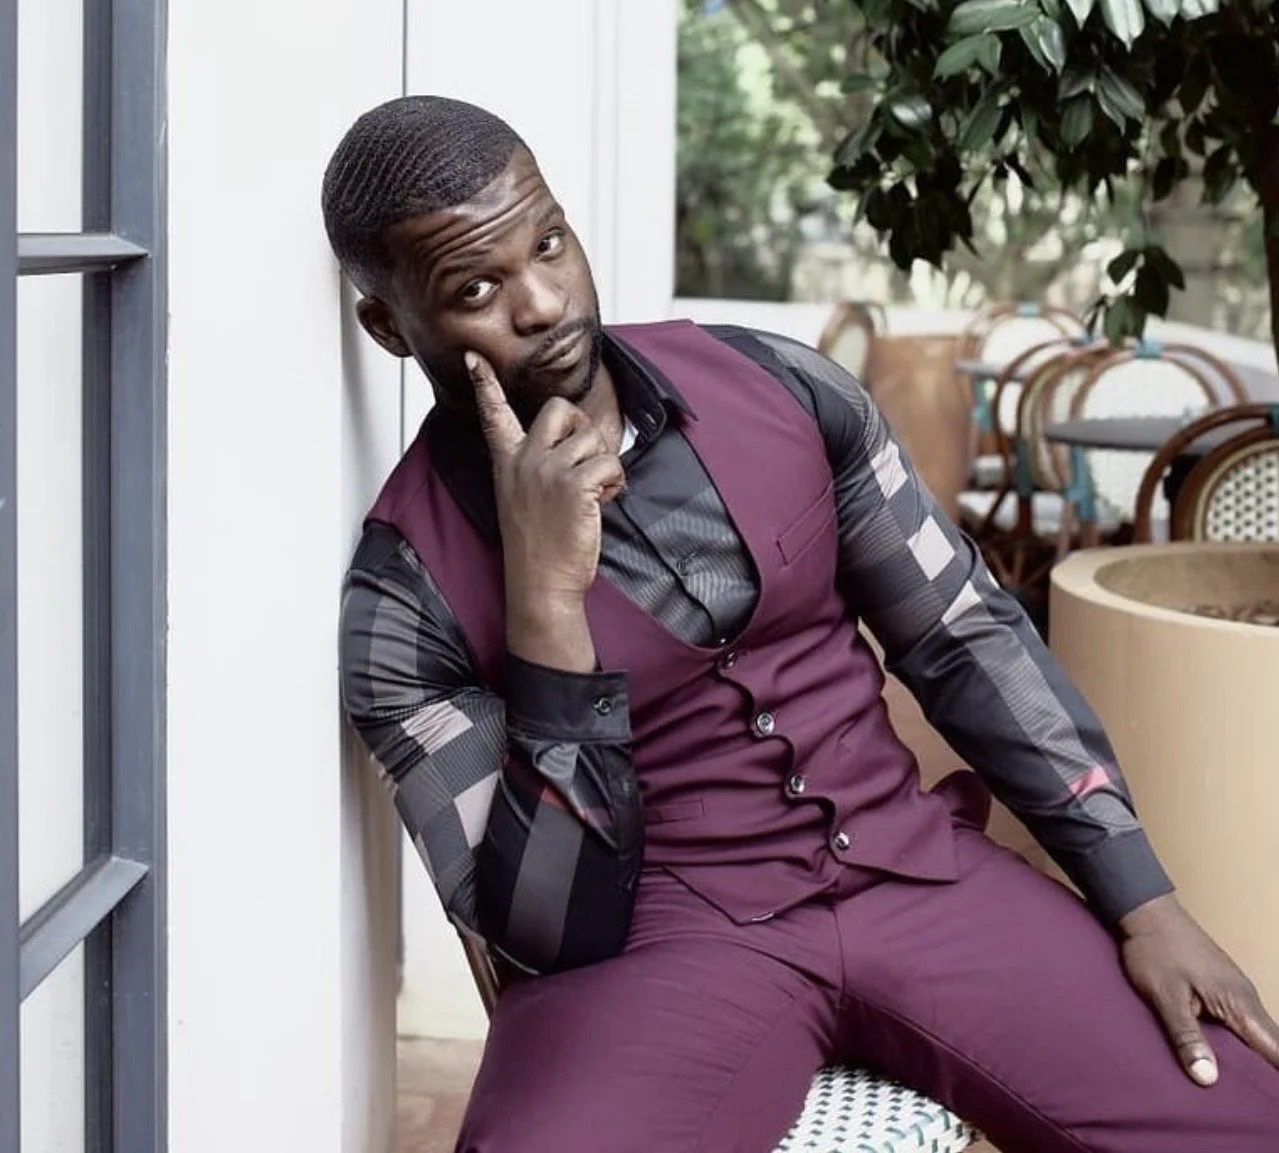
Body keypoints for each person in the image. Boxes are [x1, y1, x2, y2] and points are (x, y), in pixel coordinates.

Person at [325, 96, 1279, 1153]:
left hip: (916, 875)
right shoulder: (403, 598)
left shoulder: (780, 386)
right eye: (475, 289)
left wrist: (1143, 898)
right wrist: (546, 602)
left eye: (549, 243)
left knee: (1243, 1123)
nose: (544, 303)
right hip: (657, 953)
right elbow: (551, 929)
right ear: (389, 326)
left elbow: (961, 634)